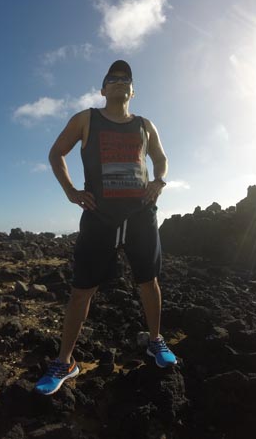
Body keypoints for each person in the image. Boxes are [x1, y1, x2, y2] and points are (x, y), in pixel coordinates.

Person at [35, 60, 177, 396]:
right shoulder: (86, 119)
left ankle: (155, 341)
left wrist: (159, 180)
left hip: (141, 215)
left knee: (148, 280)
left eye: (125, 78)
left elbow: (161, 157)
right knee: (82, 289)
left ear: (133, 89)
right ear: (102, 89)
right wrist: (71, 192)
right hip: (100, 216)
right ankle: (65, 362)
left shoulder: (145, 125)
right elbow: (56, 154)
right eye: (112, 78)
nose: (119, 81)